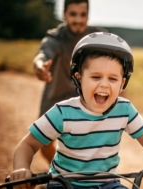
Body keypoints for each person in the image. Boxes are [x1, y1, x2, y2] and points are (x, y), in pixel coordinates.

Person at [9, 32, 143, 189]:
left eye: (113, 78)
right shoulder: (62, 112)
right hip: (63, 183)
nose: (104, 84)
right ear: (79, 77)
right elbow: (28, 145)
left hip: (108, 184)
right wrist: (21, 168)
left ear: (122, 83)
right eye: (96, 77)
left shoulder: (125, 110)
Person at [33, 0, 106, 164]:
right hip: (55, 96)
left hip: (86, 98)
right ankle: (62, 172)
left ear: (88, 15)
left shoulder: (97, 37)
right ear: (64, 15)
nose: (78, 20)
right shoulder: (56, 37)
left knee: (91, 142)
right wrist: (40, 67)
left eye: (83, 15)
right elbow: (43, 54)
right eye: (73, 14)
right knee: (43, 142)